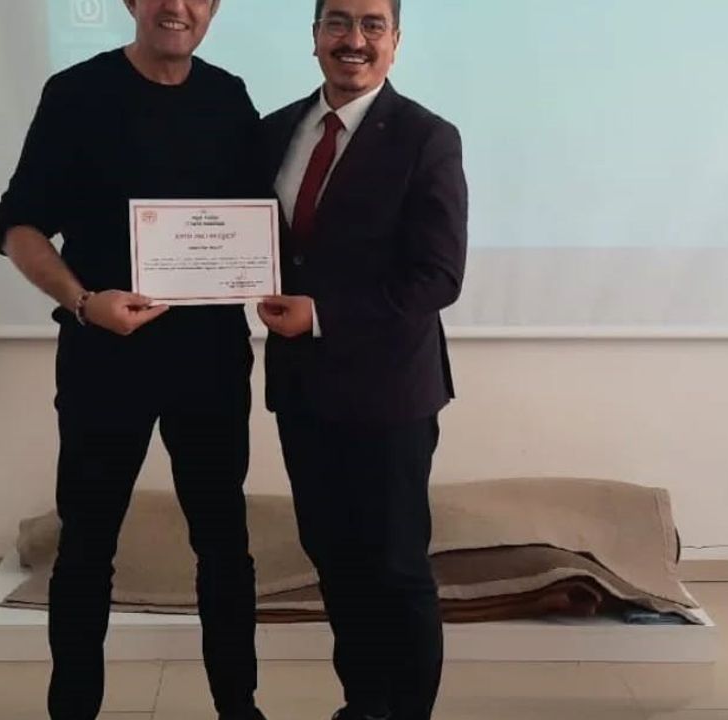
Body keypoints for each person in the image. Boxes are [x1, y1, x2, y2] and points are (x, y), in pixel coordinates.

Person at [0, 1, 266, 718]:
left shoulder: (229, 97)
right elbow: (18, 225)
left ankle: (239, 708)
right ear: (130, 2)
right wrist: (84, 302)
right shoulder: (76, 95)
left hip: (210, 362)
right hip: (104, 359)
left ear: (213, 7)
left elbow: (257, 221)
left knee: (225, 547)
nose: (177, 7)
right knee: (86, 548)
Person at [257, 0, 469, 717]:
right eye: (338, 23)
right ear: (315, 36)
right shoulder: (275, 130)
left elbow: (438, 276)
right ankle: (363, 705)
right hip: (302, 392)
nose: (354, 40)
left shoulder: (426, 137)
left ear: (395, 42)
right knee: (336, 563)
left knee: (396, 570)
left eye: (372, 25)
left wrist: (322, 314)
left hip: (389, 398)